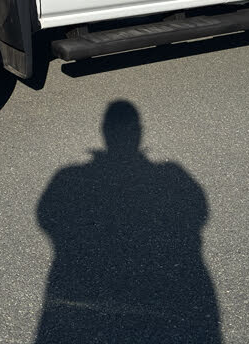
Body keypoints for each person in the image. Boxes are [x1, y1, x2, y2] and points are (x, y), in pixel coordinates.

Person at [35, 100, 221, 343]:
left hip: (76, 282)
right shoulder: (172, 174)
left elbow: (46, 216)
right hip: (170, 283)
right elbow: (199, 212)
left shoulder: (69, 176)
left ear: (104, 131)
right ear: (138, 132)